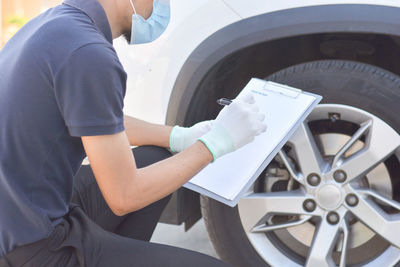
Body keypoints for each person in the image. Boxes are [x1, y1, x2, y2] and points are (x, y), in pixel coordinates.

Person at [0, 0, 267, 266]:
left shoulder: (56, 23)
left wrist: (179, 136)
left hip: (20, 212)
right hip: (32, 246)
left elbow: (94, 117)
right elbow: (124, 196)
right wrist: (214, 144)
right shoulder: (89, 52)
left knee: (156, 157)